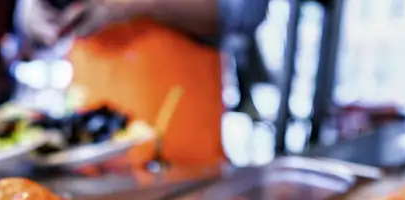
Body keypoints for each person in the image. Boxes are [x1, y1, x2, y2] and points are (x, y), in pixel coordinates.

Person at [16, 0, 269, 166]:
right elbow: (24, 27)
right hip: (88, 151)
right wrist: (32, 13)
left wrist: (133, 4)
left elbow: (243, 13)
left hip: (180, 154)